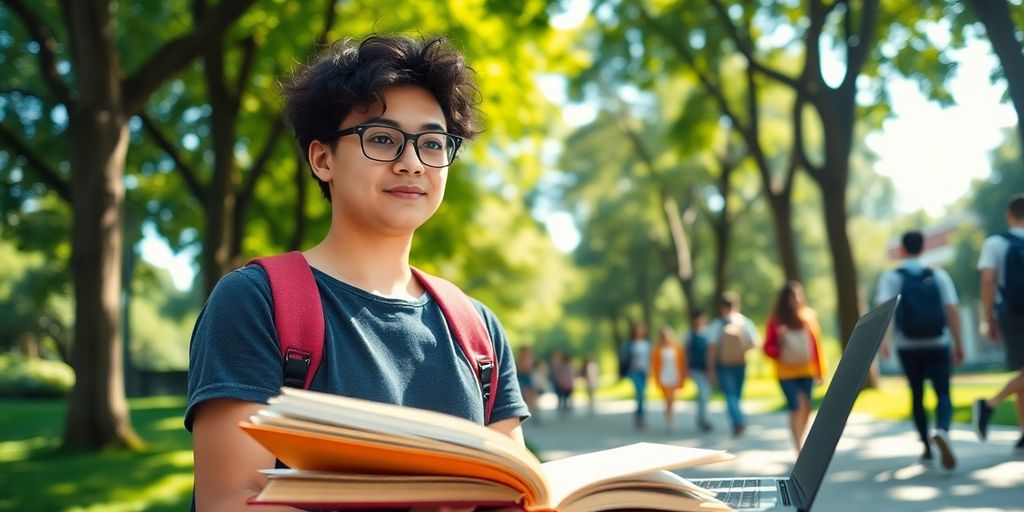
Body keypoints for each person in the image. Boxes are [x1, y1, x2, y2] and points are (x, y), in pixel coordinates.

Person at [185, 35, 530, 510]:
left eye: (432, 143)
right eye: (383, 139)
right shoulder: (254, 302)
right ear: (322, 159)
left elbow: (515, 494)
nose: (412, 163)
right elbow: (231, 499)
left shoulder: (478, 332)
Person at [875, 231, 963, 468]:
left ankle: (926, 447)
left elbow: (883, 311)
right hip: (938, 342)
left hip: (908, 345)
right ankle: (942, 430)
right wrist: (959, 342)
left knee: (916, 394)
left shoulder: (891, 276)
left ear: (902, 250)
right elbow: (952, 310)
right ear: (923, 248)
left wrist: (883, 343)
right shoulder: (938, 275)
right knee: (943, 392)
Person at [974, 193, 1024, 455]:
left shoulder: (996, 243)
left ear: (1009, 215)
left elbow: (987, 281)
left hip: (1012, 311)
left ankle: (994, 409)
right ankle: (990, 405)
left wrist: (987, 316)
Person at [763, 281, 825, 454]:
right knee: (796, 406)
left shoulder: (808, 317)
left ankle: (801, 436)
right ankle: (798, 446)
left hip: (807, 370)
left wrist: (820, 371)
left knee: (806, 407)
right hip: (786, 373)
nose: (795, 300)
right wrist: (780, 341)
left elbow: (816, 346)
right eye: (791, 297)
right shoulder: (775, 321)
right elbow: (767, 348)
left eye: (797, 296)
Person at [706, 292, 759, 437]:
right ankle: (738, 420)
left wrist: (710, 369)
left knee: (730, 395)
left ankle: (737, 421)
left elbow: (712, 348)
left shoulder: (716, 324)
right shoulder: (744, 322)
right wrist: (741, 349)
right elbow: (754, 343)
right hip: (740, 363)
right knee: (737, 394)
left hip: (723, 365)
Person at [651, 327, 686, 432]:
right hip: (664, 376)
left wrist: (683, 376)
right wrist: (655, 378)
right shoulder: (658, 349)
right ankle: (669, 419)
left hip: (674, 375)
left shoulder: (677, 347)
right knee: (667, 399)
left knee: (673, 399)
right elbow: (655, 365)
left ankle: (671, 419)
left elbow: (682, 362)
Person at [684, 309, 713, 433]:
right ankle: (703, 420)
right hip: (695, 369)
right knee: (703, 393)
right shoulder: (689, 335)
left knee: (706, 394)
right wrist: (685, 369)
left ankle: (702, 418)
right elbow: (686, 353)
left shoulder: (708, 333)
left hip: (706, 368)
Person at [621, 324, 652, 429]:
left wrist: (650, 371)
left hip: (644, 372)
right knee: (640, 393)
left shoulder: (646, 344)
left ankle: (640, 417)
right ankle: (639, 417)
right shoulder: (629, 344)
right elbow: (624, 358)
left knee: (643, 395)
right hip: (633, 371)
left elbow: (649, 359)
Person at [516, 345, 541, 423]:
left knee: (532, 398)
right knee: (524, 397)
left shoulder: (530, 359)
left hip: (527, 379)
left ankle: (534, 415)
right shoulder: (519, 360)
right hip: (522, 378)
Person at [550, 350, 576, 416]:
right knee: (565, 398)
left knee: (564, 398)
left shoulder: (564, 367)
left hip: (564, 384)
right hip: (566, 384)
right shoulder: (566, 366)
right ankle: (565, 409)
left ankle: (564, 409)